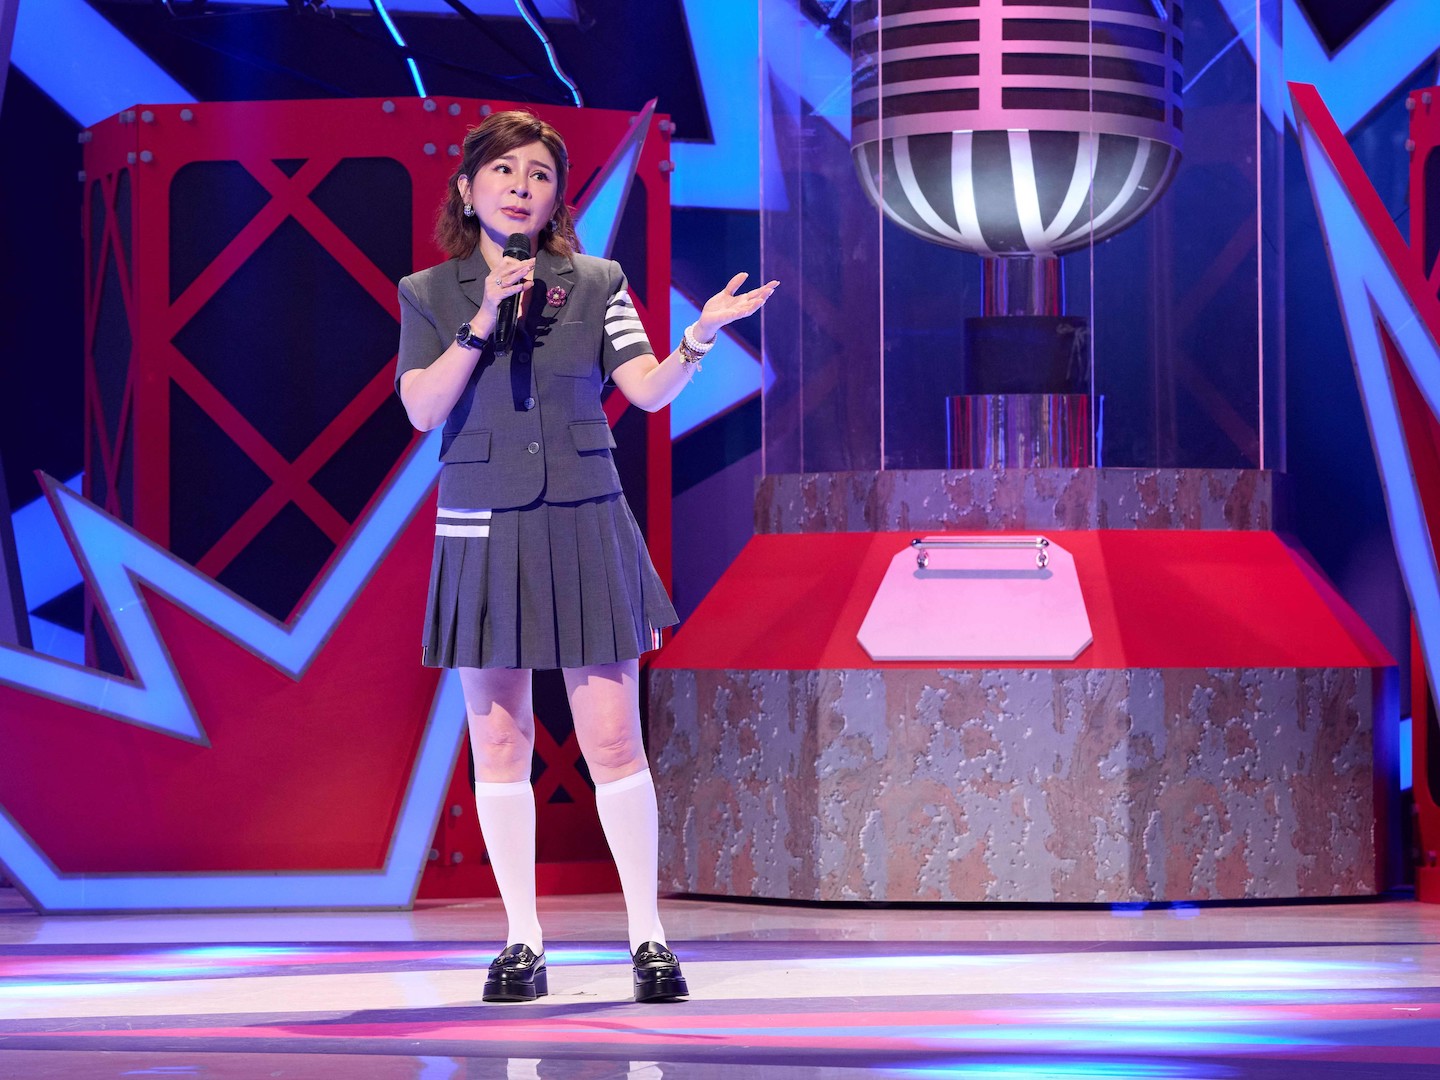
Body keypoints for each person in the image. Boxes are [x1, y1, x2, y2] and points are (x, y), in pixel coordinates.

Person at [394, 110, 777, 1004]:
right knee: (500, 738)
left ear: (555, 197)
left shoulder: (598, 281)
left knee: (611, 737)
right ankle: (522, 942)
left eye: (538, 174)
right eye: (504, 171)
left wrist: (698, 339)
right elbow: (421, 409)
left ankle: (648, 939)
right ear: (468, 190)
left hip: (583, 514)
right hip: (484, 520)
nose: (521, 186)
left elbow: (646, 391)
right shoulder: (431, 291)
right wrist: (483, 318)